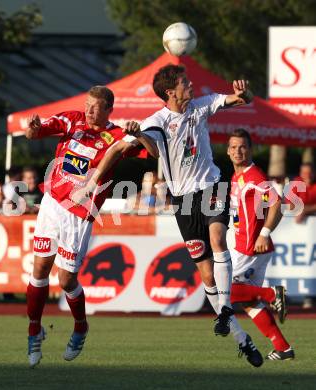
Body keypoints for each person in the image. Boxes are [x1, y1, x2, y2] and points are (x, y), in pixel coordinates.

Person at [86, 65, 263, 367]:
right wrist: (97, 177)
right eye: (185, 82)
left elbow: (241, 99)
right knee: (206, 274)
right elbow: (146, 150)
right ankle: (241, 339)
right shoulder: (157, 121)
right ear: (170, 91)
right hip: (182, 200)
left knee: (218, 237)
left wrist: (244, 93)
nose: (191, 84)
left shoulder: (201, 105)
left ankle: (224, 311)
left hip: (211, 186)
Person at [25, 85, 158, 368]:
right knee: (39, 270)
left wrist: (140, 133)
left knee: (66, 280)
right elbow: (38, 131)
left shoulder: (117, 135)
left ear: (109, 109)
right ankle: (34, 331)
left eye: (95, 107)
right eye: (87, 104)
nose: (89, 110)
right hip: (52, 202)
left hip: (80, 212)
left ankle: (81, 326)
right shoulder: (72, 120)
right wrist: (33, 128)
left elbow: (154, 153)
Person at [227, 128, 294, 361]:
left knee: (226, 292)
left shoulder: (254, 176)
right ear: (227, 151)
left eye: (243, 146)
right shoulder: (237, 176)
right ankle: (283, 347)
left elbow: (277, 204)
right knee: (248, 302)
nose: (238, 151)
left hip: (252, 248)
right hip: (245, 246)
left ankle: (272, 293)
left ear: (251, 149)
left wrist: (264, 233)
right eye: (234, 147)